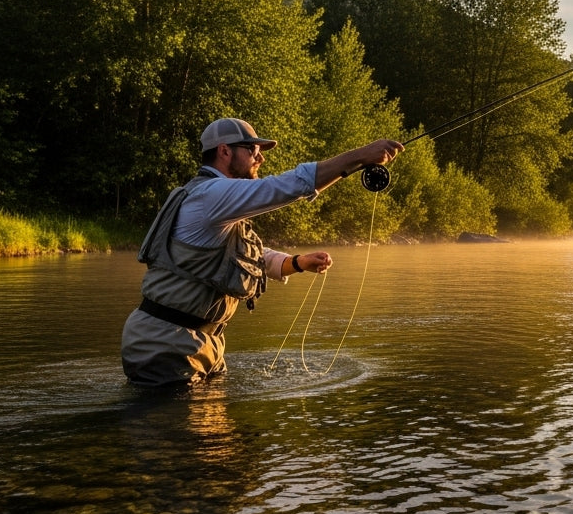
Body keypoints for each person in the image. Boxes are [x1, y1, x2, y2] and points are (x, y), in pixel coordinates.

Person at [121, 117, 402, 387]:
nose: (261, 158)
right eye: (253, 149)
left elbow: (247, 256)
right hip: (166, 344)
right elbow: (286, 187)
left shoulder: (213, 199)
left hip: (197, 343)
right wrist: (361, 156)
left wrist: (298, 263)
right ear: (224, 151)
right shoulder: (212, 194)